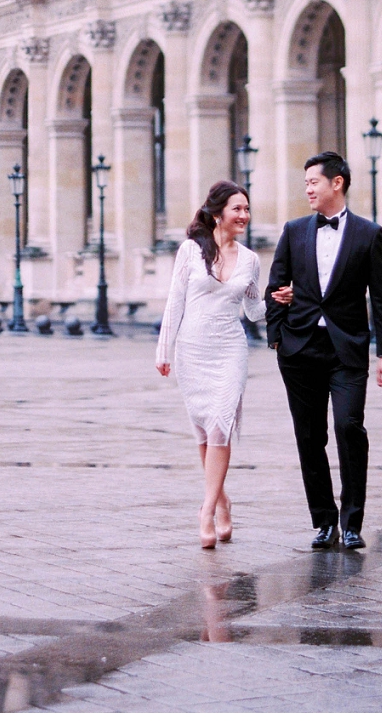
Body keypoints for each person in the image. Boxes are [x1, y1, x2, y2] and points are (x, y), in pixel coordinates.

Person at [266, 150, 382, 552]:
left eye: (313, 182)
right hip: (300, 349)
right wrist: (277, 336)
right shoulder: (293, 230)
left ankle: (352, 521)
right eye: (305, 183)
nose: (307, 188)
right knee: (309, 437)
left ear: (336, 183)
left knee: (348, 427)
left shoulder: (368, 233)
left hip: (348, 350)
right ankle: (323, 522)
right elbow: (275, 286)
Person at [156, 182, 266, 549]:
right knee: (204, 430)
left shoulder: (251, 260)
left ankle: (205, 510)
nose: (244, 216)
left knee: (221, 424)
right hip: (193, 350)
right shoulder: (190, 251)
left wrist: (282, 299)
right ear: (218, 213)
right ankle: (221, 500)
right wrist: (164, 350)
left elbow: (253, 311)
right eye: (238, 209)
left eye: (247, 209)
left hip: (230, 350)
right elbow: (175, 302)